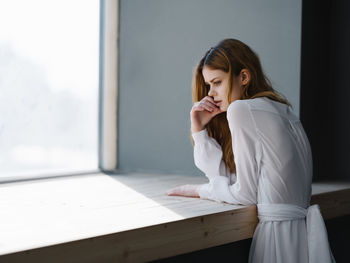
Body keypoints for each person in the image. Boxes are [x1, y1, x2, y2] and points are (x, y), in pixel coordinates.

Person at [166, 38, 335, 263]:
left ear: (243, 77)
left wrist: (200, 190)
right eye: (208, 85)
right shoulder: (283, 110)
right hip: (301, 235)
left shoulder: (240, 109)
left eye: (217, 82)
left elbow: (244, 194)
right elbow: (236, 181)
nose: (211, 93)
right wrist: (199, 128)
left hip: (278, 237)